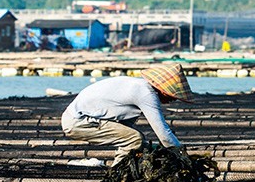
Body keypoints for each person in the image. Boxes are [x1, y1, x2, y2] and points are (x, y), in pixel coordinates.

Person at [61, 63, 194, 164]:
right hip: (78, 121)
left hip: (79, 117)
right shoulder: (146, 94)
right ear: (164, 90)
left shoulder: (139, 86)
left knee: (139, 143)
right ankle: (114, 177)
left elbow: (125, 128)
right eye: (172, 96)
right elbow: (163, 134)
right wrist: (182, 155)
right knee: (134, 139)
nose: (172, 100)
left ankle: (119, 170)